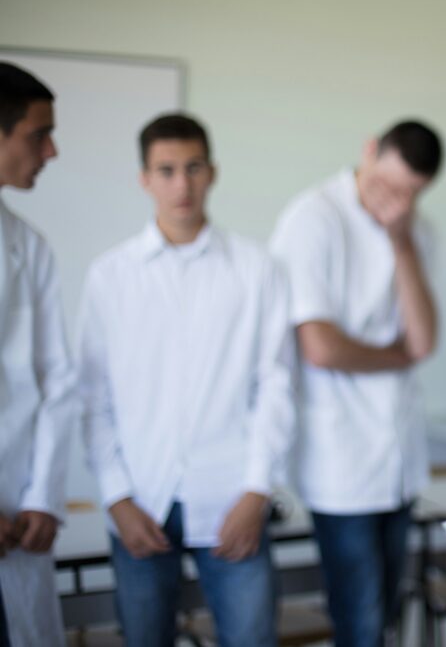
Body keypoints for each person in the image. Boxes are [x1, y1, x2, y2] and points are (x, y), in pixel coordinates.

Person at [78, 113, 294, 647]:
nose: (182, 184)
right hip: (139, 501)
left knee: (252, 638)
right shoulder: (110, 276)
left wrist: (256, 491)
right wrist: (116, 498)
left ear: (213, 172)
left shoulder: (257, 268)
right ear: (144, 178)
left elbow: (277, 384)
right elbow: (92, 395)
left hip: (231, 499)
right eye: (166, 169)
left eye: (193, 167)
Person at [270, 120, 442, 647]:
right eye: (386, 182)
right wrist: (396, 355)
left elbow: (424, 340)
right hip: (340, 459)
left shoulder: (417, 231)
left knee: (386, 612)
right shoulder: (313, 217)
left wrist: (401, 242)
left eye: (408, 192)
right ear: (369, 152)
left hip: (399, 459)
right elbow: (319, 346)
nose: (393, 199)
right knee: (360, 623)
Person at [0, 62, 76, 647]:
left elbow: (57, 382)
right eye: (37, 134)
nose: (51, 152)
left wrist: (44, 498)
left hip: (22, 523)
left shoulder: (30, 247)